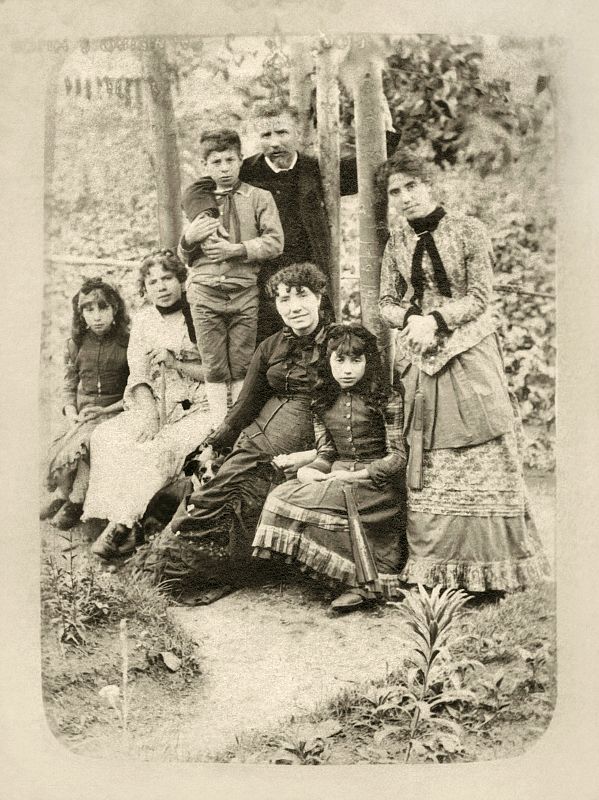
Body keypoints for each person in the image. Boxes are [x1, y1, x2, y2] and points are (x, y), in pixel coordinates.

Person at [378, 151, 548, 595]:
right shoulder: (395, 242)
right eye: (395, 192)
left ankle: (496, 569)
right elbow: (385, 302)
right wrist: (410, 318)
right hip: (419, 355)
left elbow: (480, 297)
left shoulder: (469, 230)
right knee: (430, 458)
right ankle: (434, 569)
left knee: (486, 442)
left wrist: (436, 320)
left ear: (430, 185)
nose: (405, 197)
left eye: (412, 186)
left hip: (469, 348)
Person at [130, 262, 329, 599]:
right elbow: (245, 404)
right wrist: (214, 443)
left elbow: (351, 407)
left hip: (301, 440)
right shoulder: (269, 347)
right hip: (254, 437)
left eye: (301, 296)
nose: (293, 307)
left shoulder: (343, 342)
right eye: (283, 300)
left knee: (244, 499)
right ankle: (164, 566)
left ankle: (220, 567)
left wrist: (321, 454)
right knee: (210, 493)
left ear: (319, 296)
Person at [252, 323, 407, 612]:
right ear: (328, 361)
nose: (347, 369)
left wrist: (355, 474)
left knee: (320, 499)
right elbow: (327, 452)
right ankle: (334, 575)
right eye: (340, 360)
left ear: (368, 362)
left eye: (356, 361)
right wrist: (311, 470)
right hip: (337, 477)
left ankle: (363, 584)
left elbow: (397, 457)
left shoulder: (387, 398)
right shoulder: (322, 401)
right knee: (280, 496)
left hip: (376, 485)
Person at [82, 250, 212, 559]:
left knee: (159, 449)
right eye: (152, 281)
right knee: (109, 436)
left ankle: (123, 526)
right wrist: (149, 415)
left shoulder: (200, 316)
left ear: (182, 279)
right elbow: (138, 375)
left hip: (199, 406)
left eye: (167, 278)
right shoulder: (142, 322)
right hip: (154, 403)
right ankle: (111, 517)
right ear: (145, 287)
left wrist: (177, 363)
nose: (161, 287)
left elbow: (218, 372)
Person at [238, 102, 400, 339]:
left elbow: (359, 171)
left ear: (297, 133)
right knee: (268, 344)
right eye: (266, 135)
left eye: (282, 132)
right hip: (262, 275)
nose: (274, 142)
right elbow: (207, 188)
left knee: (317, 340)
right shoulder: (246, 173)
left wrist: (386, 134)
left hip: (310, 270)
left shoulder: (316, 169)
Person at [177, 129, 284, 427]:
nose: (224, 168)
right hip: (204, 292)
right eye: (216, 162)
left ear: (240, 160)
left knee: (240, 362)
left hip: (243, 293)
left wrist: (235, 249)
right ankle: (216, 424)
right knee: (212, 362)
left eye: (229, 160)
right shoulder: (198, 201)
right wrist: (188, 239)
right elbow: (183, 255)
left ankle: (235, 427)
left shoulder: (258, 197)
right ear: (205, 165)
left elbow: (275, 242)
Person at [40, 277, 130, 530]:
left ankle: (76, 501)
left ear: (115, 310)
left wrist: (106, 410)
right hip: (84, 413)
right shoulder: (76, 344)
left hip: (116, 411)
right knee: (63, 446)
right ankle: (61, 495)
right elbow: (69, 384)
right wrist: (71, 412)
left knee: (88, 445)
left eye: (103, 308)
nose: (97, 317)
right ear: (80, 314)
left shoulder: (127, 343)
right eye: (89, 310)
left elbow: (135, 390)